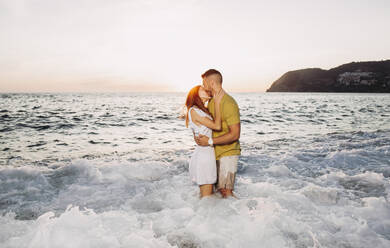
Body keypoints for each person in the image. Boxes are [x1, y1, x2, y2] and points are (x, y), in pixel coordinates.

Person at [195, 69, 241, 198]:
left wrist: (209, 141)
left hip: (228, 153)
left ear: (211, 82)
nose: (203, 87)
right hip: (213, 153)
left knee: (226, 191)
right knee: (215, 193)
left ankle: (242, 215)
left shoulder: (228, 103)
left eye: (204, 83)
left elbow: (235, 134)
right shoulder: (211, 102)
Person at [185, 85, 223, 198]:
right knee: (206, 198)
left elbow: (197, 131)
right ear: (195, 94)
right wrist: (217, 102)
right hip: (205, 157)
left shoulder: (201, 110)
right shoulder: (194, 110)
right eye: (202, 89)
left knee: (208, 196)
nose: (206, 89)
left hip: (205, 154)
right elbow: (217, 126)